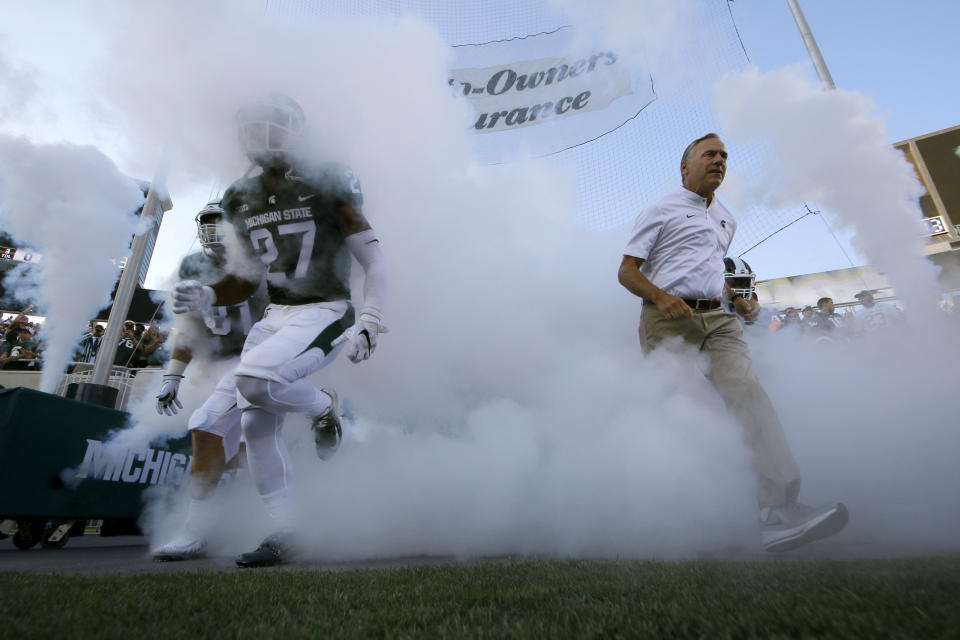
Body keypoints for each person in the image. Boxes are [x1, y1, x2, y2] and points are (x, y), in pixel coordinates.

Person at [171, 93, 388, 568]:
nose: (261, 135)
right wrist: (209, 295)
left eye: (273, 125)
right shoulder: (238, 196)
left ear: (296, 129)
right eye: (253, 127)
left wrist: (371, 316)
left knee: (255, 383)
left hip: (324, 310)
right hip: (275, 318)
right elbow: (247, 278)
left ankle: (323, 406)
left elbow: (373, 259)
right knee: (219, 422)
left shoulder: (327, 179)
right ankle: (270, 528)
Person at [617, 133, 847, 552]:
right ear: (685, 167)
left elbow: (708, 273)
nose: (719, 161)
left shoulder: (726, 218)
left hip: (719, 321)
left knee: (748, 395)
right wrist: (662, 297)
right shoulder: (660, 208)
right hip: (667, 320)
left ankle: (775, 512)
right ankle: (674, 515)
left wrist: (737, 300)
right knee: (678, 412)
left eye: (724, 155)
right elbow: (627, 271)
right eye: (710, 154)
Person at [152, 201, 271, 561]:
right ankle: (198, 531)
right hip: (227, 367)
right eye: (207, 220)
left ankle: (289, 524)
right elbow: (191, 326)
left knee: (257, 444)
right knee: (213, 434)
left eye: (220, 219)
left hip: (271, 360)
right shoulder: (195, 267)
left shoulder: (264, 259)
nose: (213, 227)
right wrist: (173, 375)